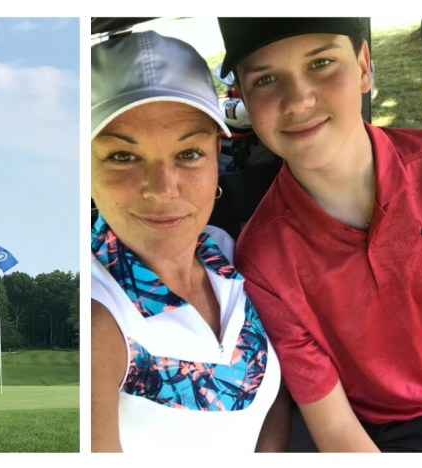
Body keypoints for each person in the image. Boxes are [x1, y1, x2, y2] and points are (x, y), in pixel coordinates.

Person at [218, 17, 422, 452]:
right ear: (244, 98)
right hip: (401, 430)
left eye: (322, 62)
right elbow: (337, 431)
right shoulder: (264, 261)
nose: (299, 99)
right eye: (266, 79)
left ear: (364, 66)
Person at [91, 30, 289, 453]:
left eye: (188, 154)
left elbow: (270, 399)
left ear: (217, 153)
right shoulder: (94, 313)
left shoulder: (229, 252)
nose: (163, 189)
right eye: (123, 156)